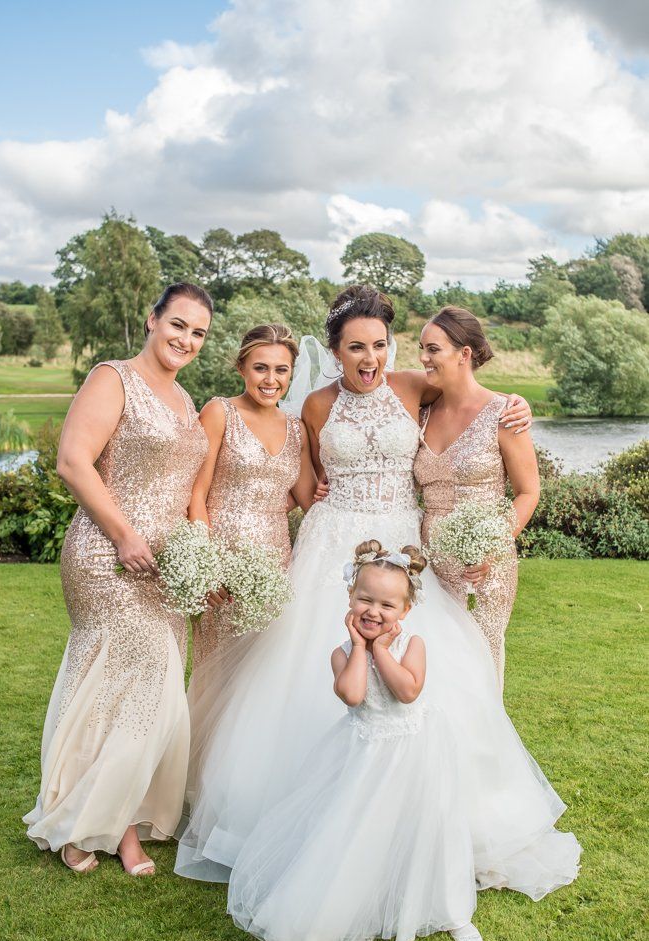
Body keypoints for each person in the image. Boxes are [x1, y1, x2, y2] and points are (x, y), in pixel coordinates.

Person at [176, 285, 580, 903]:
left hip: (400, 537)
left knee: (429, 669)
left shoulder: (416, 387)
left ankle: (434, 815)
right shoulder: (312, 404)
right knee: (299, 671)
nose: (371, 359)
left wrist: (517, 407)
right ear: (334, 352)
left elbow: (474, 395)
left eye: (381, 346)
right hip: (331, 544)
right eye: (357, 348)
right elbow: (307, 483)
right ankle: (302, 817)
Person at [23, 282, 212, 876]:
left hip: (166, 567)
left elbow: (186, 491)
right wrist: (125, 535)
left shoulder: (184, 400)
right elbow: (74, 460)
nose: (185, 339)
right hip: (108, 555)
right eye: (178, 324)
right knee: (108, 690)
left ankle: (119, 820)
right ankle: (81, 822)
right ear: (152, 318)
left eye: (198, 332)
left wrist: (195, 554)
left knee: (149, 699)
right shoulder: (113, 377)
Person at [228, 541, 482, 941]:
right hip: (364, 753)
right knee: (361, 828)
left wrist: (381, 647)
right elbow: (352, 694)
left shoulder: (412, 645)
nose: (374, 611)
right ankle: (357, 907)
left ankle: (453, 912)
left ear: (405, 612)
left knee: (428, 827)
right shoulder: (341, 653)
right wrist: (361, 647)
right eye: (365, 599)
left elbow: (407, 692)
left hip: (415, 751)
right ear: (350, 598)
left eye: (387, 604)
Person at [414, 305, 540, 687]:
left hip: (486, 565)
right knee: (433, 664)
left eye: (433, 349)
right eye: (421, 348)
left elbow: (528, 492)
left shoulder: (504, 413)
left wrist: (492, 545)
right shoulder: (420, 412)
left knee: (480, 662)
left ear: (464, 353)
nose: (423, 357)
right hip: (428, 561)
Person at [188, 323, 317, 664]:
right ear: (242, 367)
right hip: (222, 566)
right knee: (218, 672)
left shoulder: (296, 427)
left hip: (276, 567)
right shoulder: (219, 412)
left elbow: (310, 499)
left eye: (281, 370)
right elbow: (196, 494)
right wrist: (205, 566)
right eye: (260, 368)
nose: (270, 379)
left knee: (267, 673)